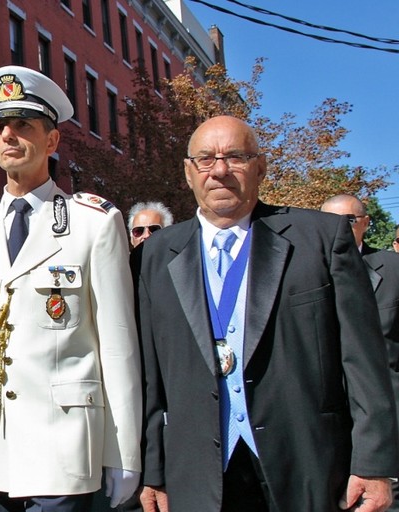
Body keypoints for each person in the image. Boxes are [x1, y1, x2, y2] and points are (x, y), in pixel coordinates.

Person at [135, 115, 399, 512]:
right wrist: (153, 470)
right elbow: (151, 376)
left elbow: (363, 359)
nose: (220, 170)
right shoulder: (156, 254)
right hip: (198, 471)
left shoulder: (321, 238)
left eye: (236, 156)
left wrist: (374, 463)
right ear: (188, 172)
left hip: (308, 464)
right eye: (205, 159)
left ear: (261, 167)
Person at [0, 65, 142, 512]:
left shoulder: (94, 223)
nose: (9, 136)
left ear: (51, 141)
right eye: (0, 128)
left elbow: (117, 346)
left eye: (23, 126)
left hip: (65, 445)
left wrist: (123, 451)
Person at [321, 194, 399, 512]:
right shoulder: (297, 272)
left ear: (365, 224)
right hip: (325, 433)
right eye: (329, 221)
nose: (339, 228)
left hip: (387, 428)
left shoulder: (393, 270)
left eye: (349, 220)